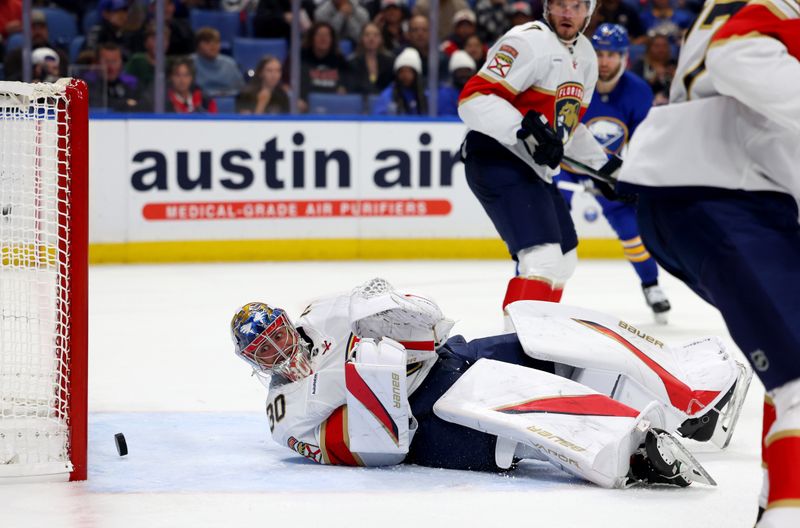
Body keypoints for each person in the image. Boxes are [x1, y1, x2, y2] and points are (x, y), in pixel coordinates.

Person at [229, 277, 750, 488]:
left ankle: (685, 389)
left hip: (446, 361)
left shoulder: (326, 313)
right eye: (263, 352)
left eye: (276, 336)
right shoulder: (286, 416)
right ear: (254, 363)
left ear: (285, 322)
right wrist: (369, 379)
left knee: (543, 333)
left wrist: (397, 310)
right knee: (521, 421)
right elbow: (378, 449)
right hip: (429, 423)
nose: (279, 352)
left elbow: (432, 323)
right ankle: (634, 453)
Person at [615, 0, 800, 525]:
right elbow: (737, 52)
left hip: (735, 197)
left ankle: (778, 504)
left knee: (790, 372)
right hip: (721, 195)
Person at [457, 0, 617, 318]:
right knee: (542, 258)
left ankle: (539, 339)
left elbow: (566, 130)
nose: (567, 13)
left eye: (576, 6)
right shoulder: (526, 41)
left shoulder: (585, 55)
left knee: (565, 259)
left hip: (533, 168)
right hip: (495, 158)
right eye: (560, 4)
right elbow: (473, 99)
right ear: (547, 7)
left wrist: (606, 168)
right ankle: (516, 352)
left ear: (589, 11)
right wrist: (524, 132)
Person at [556, 24, 671, 323]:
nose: (604, 61)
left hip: (607, 172)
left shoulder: (637, 92)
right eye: (599, 53)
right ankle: (537, 293)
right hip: (565, 170)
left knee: (632, 232)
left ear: (625, 58)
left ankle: (652, 285)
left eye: (611, 54)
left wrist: (635, 180)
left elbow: (642, 143)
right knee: (550, 233)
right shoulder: (574, 83)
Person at [191, 27, 245, 98]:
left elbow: (241, 90)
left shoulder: (229, 64)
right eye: (207, 42)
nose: (213, 46)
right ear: (197, 45)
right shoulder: (190, 63)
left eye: (216, 42)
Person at [372, 47, 427, 115]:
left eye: (409, 71)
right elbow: (378, 119)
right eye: (402, 71)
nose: (405, 75)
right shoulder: (388, 95)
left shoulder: (426, 95)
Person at [345, 22, 395, 96]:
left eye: (375, 35)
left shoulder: (390, 61)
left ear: (381, 39)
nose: (371, 38)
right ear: (361, 38)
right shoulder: (352, 62)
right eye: (367, 35)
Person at [437, 50, 476, 116]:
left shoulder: (477, 92)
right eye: (460, 72)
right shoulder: (445, 93)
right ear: (453, 74)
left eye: (467, 71)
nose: (464, 75)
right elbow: (447, 118)